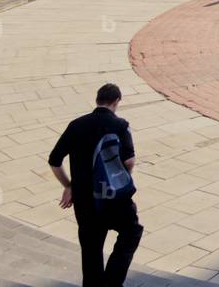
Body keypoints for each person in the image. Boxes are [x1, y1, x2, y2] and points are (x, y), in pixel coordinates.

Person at [48, 84, 143, 287]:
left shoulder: (76, 125)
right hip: (115, 199)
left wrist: (69, 185)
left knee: (91, 251)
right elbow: (129, 161)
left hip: (85, 201)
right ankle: (112, 281)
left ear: (97, 100)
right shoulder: (120, 125)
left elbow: (54, 160)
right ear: (116, 101)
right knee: (131, 232)